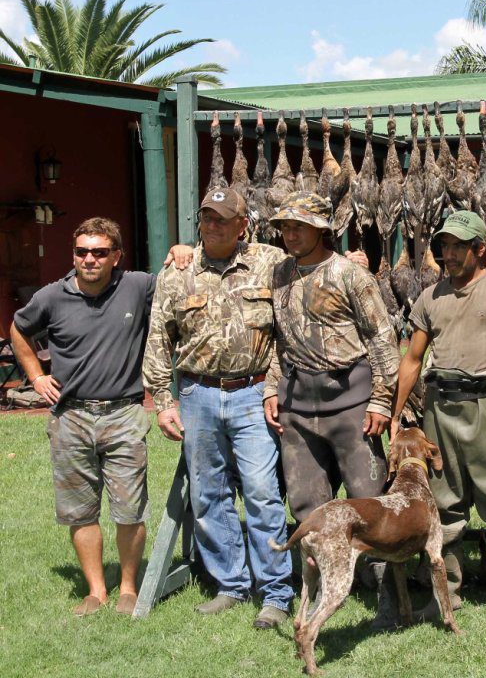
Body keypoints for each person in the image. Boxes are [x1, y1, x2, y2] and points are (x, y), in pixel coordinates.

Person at [142, 187, 294, 630]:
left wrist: (272, 386)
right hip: (197, 395)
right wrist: (163, 401)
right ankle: (231, 583)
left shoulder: (271, 262)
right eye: (206, 218)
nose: (212, 226)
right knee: (209, 494)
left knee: (263, 492)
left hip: (252, 393)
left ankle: (275, 591)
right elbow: (158, 339)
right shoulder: (177, 272)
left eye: (222, 219)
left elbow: (287, 332)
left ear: (243, 225)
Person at [390, 210, 486, 627]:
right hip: (439, 410)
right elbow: (412, 359)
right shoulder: (431, 297)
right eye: (444, 245)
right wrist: (395, 416)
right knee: (443, 509)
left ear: (480, 248)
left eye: (459, 246)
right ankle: (448, 595)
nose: (449, 254)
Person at [262, 192, 400, 630]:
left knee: (371, 502)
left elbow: (382, 339)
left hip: (351, 400)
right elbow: (278, 340)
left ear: (322, 230)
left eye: (299, 226)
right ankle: (321, 588)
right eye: (285, 226)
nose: (290, 233)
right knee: (307, 502)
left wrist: (380, 399)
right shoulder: (279, 273)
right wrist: (271, 388)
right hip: (299, 405)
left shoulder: (350, 275)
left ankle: (388, 595)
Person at [10, 218, 157, 616]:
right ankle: (96, 591)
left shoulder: (138, 286)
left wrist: (179, 252)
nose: (89, 259)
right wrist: (36, 377)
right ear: (73, 254)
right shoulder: (51, 297)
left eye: (99, 252)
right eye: (81, 252)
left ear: (117, 256)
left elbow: (181, 283)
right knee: (80, 510)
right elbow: (18, 330)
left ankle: (128, 587)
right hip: (70, 416)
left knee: (130, 508)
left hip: (124, 413)